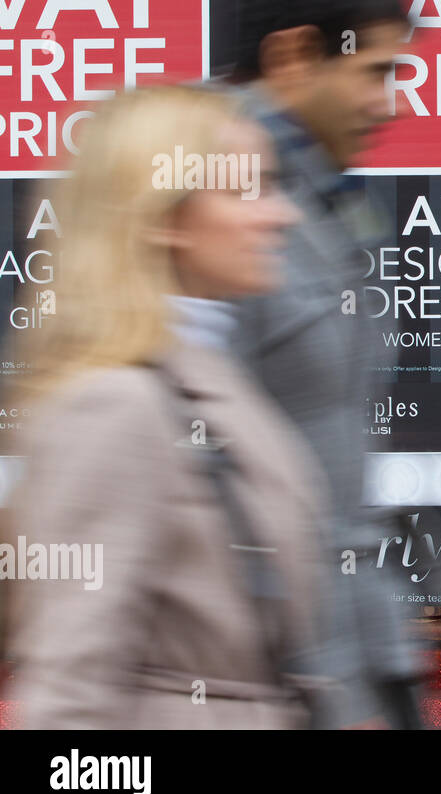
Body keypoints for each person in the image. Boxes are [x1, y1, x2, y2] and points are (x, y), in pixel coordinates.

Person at [3, 85, 321, 728]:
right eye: (245, 189)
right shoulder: (116, 404)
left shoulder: (205, 376)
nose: (282, 215)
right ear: (162, 215)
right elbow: (69, 701)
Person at [224, 0, 427, 729]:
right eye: (376, 73)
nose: (393, 103)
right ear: (294, 56)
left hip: (355, 651)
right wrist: (317, 686)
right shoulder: (204, 206)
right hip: (281, 677)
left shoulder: (331, 200)